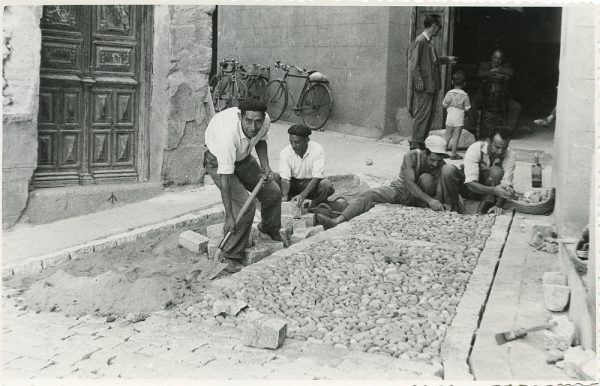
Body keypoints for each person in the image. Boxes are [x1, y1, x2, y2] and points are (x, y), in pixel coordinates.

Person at [316, 136, 464, 230]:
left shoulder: (439, 164)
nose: (434, 164)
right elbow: (410, 185)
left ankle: (421, 210)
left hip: (422, 199)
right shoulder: (411, 157)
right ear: (425, 152)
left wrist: (437, 202)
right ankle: (338, 220)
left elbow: (438, 187)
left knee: (427, 178)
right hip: (401, 190)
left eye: (437, 161)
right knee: (369, 195)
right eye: (432, 160)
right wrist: (430, 200)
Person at [203, 99, 283, 272]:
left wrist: (265, 165)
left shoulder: (265, 121)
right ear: (240, 117)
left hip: (243, 157)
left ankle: (269, 228)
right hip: (217, 162)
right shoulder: (227, 136)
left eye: (257, 121)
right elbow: (225, 181)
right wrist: (230, 215)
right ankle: (229, 255)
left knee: (273, 192)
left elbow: (260, 140)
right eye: (248, 121)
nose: (253, 126)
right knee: (245, 207)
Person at [407, 14, 458, 150]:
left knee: (428, 115)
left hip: (432, 85)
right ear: (434, 26)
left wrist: (447, 59)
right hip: (424, 86)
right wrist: (419, 81)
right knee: (422, 115)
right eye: (439, 26)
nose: (439, 30)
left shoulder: (430, 42)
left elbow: (433, 61)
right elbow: (413, 64)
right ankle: (415, 143)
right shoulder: (421, 41)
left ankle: (421, 142)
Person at [274, 124, 335, 208]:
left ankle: (314, 204)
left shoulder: (317, 149)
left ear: (307, 140)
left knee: (326, 185)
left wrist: (303, 195)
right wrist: (284, 197)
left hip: (311, 185)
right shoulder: (285, 153)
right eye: (291, 142)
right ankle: (288, 201)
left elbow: (317, 177)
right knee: (274, 177)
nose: (293, 146)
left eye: (297, 142)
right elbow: (285, 179)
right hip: (293, 184)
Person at [467, 49, 521, 138]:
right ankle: (472, 131)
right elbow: (480, 74)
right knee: (472, 104)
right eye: (495, 58)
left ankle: (507, 131)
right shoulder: (484, 65)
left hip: (502, 95)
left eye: (500, 58)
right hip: (485, 94)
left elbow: (510, 72)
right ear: (492, 57)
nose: (497, 60)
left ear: (502, 59)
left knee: (516, 107)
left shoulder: (506, 65)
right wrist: (497, 72)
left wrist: (493, 72)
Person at [463, 127, 516, 215]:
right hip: (471, 189)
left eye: (504, 148)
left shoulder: (510, 154)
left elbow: (506, 183)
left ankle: (485, 206)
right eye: (497, 147)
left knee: (496, 171)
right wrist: (493, 190)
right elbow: (470, 182)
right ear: (488, 141)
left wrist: (499, 205)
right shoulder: (475, 148)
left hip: (491, 188)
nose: (500, 151)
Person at [443, 70, 471, 160]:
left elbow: (444, 105)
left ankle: (442, 152)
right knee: (456, 137)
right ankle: (453, 154)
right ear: (465, 83)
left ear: (452, 82)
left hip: (449, 117)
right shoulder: (465, 95)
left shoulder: (449, 93)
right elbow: (468, 108)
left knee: (447, 136)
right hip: (458, 119)